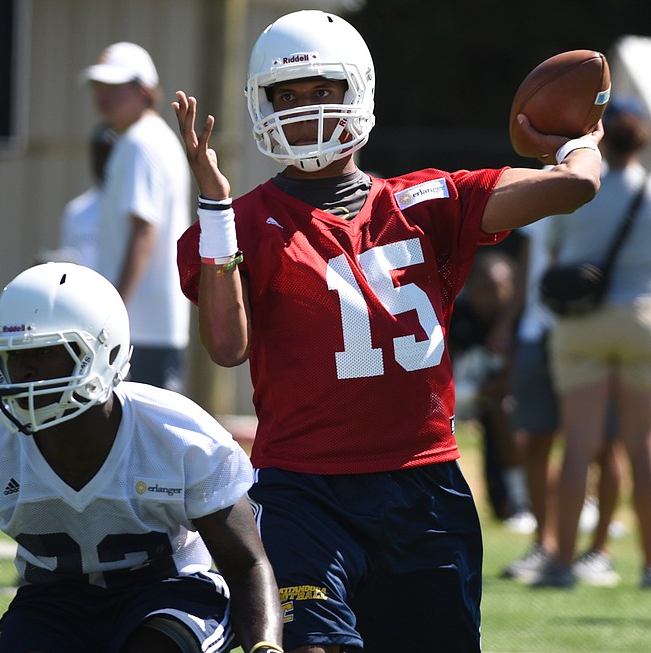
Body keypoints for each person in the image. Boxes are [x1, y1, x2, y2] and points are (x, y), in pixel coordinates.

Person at [173, 9, 603, 651]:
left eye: (322, 91)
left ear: (360, 92)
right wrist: (214, 210)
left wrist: (577, 138)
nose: (303, 110)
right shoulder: (238, 221)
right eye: (286, 96)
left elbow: (574, 186)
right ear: (260, 104)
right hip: (304, 488)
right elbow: (227, 347)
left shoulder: (426, 200)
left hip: (422, 488)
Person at [0, 262, 283, 653]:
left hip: (166, 591)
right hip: (53, 597)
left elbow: (246, 563)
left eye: (42, 352)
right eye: (12, 355)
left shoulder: (177, 436)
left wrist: (265, 647)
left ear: (106, 352)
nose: (22, 371)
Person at [532, 95, 651, 589]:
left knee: (578, 446)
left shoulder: (581, 186)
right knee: (641, 448)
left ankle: (560, 562)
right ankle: (648, 565)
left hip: (581, 325)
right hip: (642, 321)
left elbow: (555, 252)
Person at [502, 219, 624, 586]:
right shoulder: (538, 181)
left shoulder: (613, 185)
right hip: (537, 332)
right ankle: (545, 544)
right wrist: (508, 321)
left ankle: (598, 551)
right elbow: (530, 261)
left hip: (592, 335)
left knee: (603, 446)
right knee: (535, 440)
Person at [84, 42, 191, 392]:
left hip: (135, 328)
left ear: (144, 90)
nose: (103, 95)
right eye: (100, 86)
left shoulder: (139, 143)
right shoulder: (152, 138)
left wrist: (112, 312)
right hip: (148, 325)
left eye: (115, 86)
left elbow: (143, 232)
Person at [449, 249, 530, 523]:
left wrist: (476, 391)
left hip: (496, 398)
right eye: (482, 289)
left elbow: (517, 377)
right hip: (454, 395)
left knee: (503, 407)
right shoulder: (457, 312)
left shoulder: (521, 319)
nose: (490, 298)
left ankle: (519, 499)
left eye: (498, 289)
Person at [57, 122, 117, 269]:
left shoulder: (133, 212)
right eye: (98, 154)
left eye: (108, 154)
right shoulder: (76, 210)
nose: (102, 162)